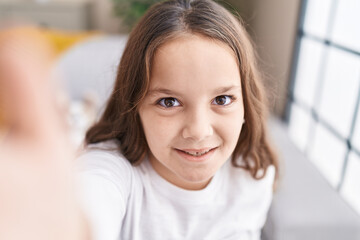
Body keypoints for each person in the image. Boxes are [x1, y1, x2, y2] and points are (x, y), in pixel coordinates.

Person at [77, 0, 279, 239]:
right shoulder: (112, 173)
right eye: (169, 102)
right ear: (134, 108)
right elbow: (89, 206)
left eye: (222, 99)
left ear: (246, 102)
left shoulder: (252, 178)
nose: (198, 131)